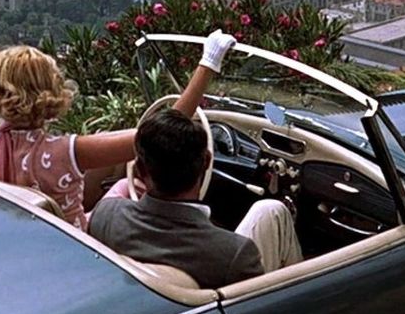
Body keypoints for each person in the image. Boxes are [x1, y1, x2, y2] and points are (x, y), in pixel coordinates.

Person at [0, 30, 237, 230]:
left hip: (18, 240)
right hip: (75, 245)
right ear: (51, 93)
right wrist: (208, 63)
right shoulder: (66, 152)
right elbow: (164, 133)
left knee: (118, 182)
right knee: (124, 189)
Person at [89, 107, 303, 287]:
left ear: (138, 170)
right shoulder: (235, 255)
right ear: (208, 161)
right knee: (272, 210)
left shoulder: (106, 215)